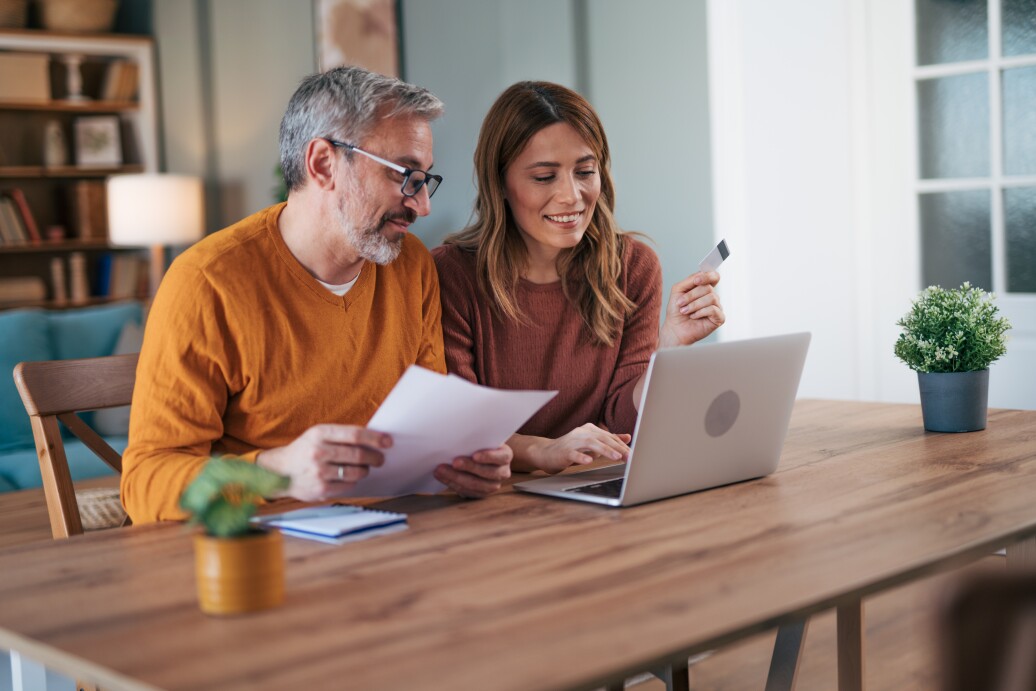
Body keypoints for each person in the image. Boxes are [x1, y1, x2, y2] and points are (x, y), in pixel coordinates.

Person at [122, 66, 512, 523]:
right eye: (405, 175)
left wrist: (463, 464)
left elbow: (429, 433)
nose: (421, 205)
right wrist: (277, 474)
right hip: (253, 555)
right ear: (323, 163)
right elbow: (145, 485)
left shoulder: (412, 267)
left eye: (425, 179)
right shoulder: (207, 283)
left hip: (392, 539)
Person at [432, 81, 724, 475]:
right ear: (499, 182)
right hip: (492, 504)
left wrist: (668, 347)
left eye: (585, 171)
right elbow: (458, 425)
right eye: (544, 177)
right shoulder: (450, 275)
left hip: (589, 486)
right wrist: (542, 451)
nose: (572, 196)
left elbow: (623, 425)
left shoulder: (633, 267)